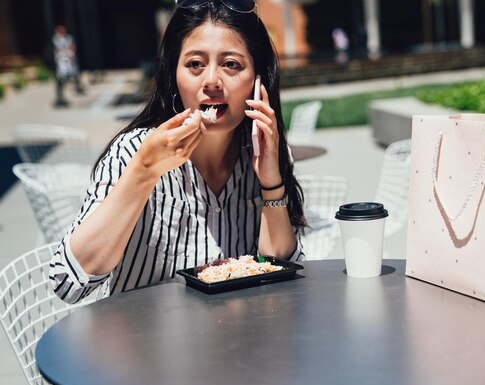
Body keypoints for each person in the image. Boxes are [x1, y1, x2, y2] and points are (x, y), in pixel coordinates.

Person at [49, 0, 307, 304]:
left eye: (231, 64)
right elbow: (68, 282)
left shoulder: (267, 154)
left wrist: (270, 181)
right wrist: (144, 172)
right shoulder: (133, 152)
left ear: (258, 81)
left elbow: (283, 283)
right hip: (143, 347)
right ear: (174, 75)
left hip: (238, 345)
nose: (211, 80)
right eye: (195, 64)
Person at [51, 24, 84, 107]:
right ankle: (60, 97)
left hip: (69, 60)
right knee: (60, 79)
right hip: (60, 61)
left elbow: (72, 47)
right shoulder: (55, 39)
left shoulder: (68, 38)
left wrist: (70, 53)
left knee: (74, 74)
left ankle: (78, 87)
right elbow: (55, 50)